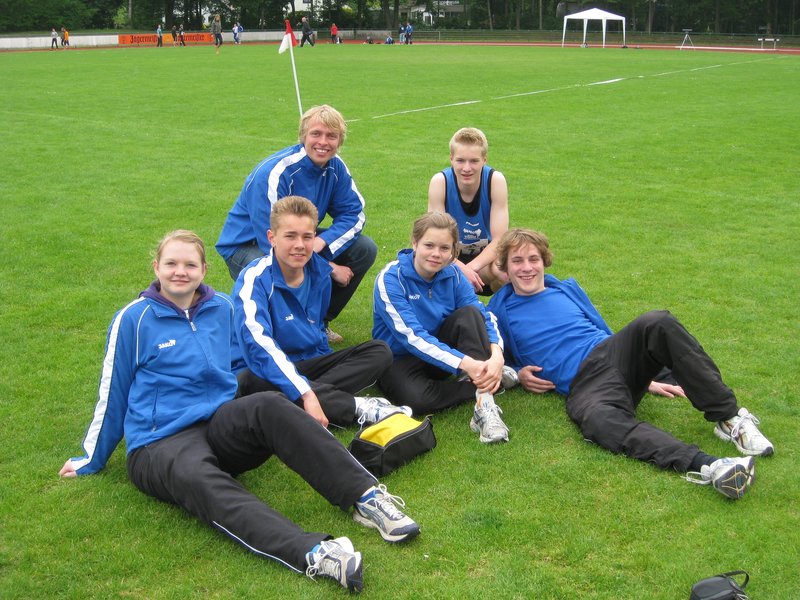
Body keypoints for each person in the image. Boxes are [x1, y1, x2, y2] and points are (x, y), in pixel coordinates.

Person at [58, 230, 420, 593]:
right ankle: (314, 553)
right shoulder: (134, 319)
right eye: (171, 264)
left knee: (270, 404)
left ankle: (366, 498)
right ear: (156, 268)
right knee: (200, 478)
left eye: (189, 264)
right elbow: (113, 392)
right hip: (160, 442)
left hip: (217, 424)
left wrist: (301, 395)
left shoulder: (222, 308)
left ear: (203, 270)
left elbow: (248, 361)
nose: (180, 272)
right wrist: (90, 458)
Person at [487, 228, 775, 499]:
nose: (527, 267)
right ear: (505, 269)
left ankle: (729, 419)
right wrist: (520, 374)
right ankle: (712, 466)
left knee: (657, 322)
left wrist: (645, 375)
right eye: (517, 261)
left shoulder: (564, 290)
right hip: (584, 384)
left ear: (544, 262)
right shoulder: (499, 310)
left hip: (609, 353)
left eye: (533, 259)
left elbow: (604, 330)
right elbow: (496, 356)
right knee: (598, 422)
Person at [234, 196, 411, 430]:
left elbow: (317, 330)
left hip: (308, 364)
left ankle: (298, 402)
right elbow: (257, 345)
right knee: (251, 380)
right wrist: (307, 394)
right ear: (272, 238)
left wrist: (310, 387)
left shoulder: (320, 273)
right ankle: (356, 407)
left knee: (380, 351)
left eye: (307, 236)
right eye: (290, 236)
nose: (300, 244)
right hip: (269, 366)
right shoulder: (254, 279)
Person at [216, 104, 377, 344]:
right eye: (316, 134)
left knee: (364, 248)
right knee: (286, 267)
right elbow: (274, 242)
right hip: (250, 245)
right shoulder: (274, 173)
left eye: (331, 136)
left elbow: (354, 214)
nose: (323, 142)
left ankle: (318, 323)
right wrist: (328, 267)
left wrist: (320, 243)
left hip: (297, 236)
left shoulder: (336, 167)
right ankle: (270, 332)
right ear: (303, 136)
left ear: (340, 141)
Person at [372, 212, 510, 444]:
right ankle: (487, 380)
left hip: (442, 355)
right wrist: (466, 363)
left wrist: (497, 355)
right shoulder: (391, 279)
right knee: (417, 401)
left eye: (445, 248)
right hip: (399, 359)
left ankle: (484, 402)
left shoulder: (454, 274)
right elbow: (413, 337)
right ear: (414, 243)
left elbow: (483, 315)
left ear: (453, 251)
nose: (436, 254)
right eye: (429, 245)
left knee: (470, 314)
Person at [428, 127, 509, 296]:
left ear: (484, 160)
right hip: (448, 256)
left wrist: (470, 268)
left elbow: (500, 239)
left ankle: (501, 311)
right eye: (460, 160)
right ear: (451, 159)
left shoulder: (495, 180)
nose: (466, 168)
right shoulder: (440, 182)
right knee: (424, 260)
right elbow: (436, 238)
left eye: (474, 161)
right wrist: (460, 268)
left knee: (505, 270)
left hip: (485, 259)